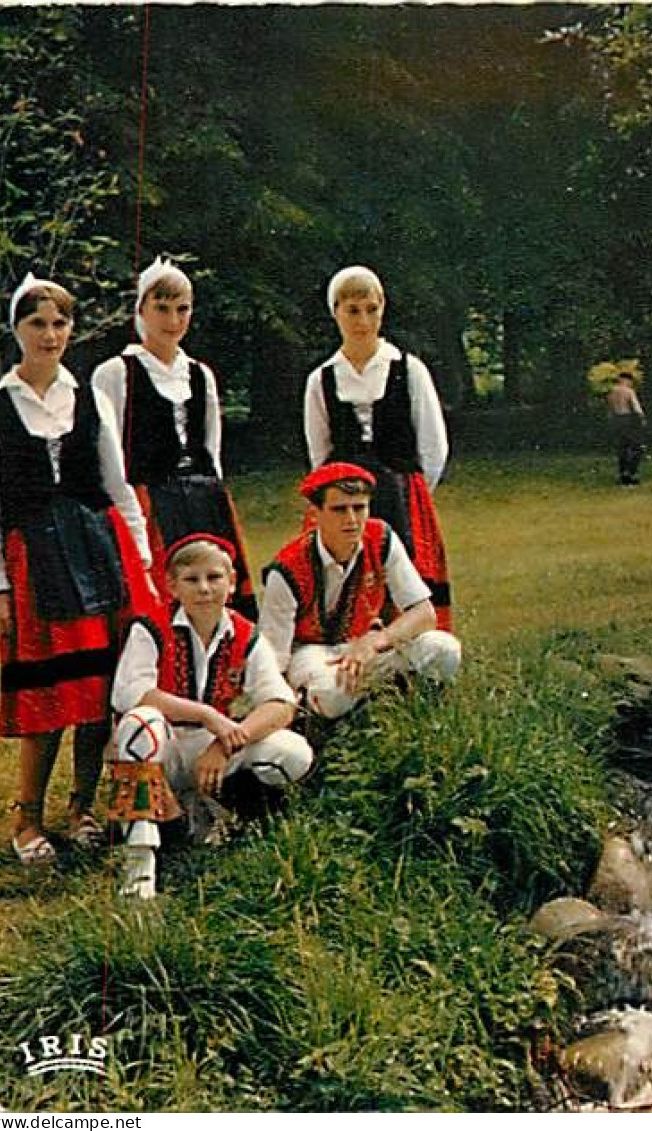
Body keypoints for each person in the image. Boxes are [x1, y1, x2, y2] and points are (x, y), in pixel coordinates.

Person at [0, 274, 158, 865]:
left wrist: (142, 564)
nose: (50, 335)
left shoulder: (91, 399)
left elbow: (118, 487)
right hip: (35, 561)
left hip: (97, 550)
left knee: (100, 690)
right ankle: (26, 820)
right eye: (37, 324)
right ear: (17, 330)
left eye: (59, 323)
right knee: (48, 695)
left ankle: (81, 807)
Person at [106, 534, 313, 898]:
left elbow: (280, 702)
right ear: (172, 586)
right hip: (164, 745)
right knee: (140, 723)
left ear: (232, 583)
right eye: (192, 580)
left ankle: (240, 828)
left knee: (293, 753)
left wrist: (226, 743)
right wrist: (205, 714)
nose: (204, 589)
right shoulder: (151, 626)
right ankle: (139, 869)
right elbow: (130, 693)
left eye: (214, 578)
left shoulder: (245, 634)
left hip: (210, 750)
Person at [92, 256, 259, 618]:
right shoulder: (117, 373)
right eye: (162, 308)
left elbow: (211, 451)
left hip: (204, 502)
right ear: (141, 310)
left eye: (182, 309)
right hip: (150, 505)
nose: (172, 321)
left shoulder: (201, 375)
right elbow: (109, 457)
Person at [304, 266, 452, 629]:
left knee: (408, 583)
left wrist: (411, 492)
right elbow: (319, 454)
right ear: (335, 312)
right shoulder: (322, 379)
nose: (363, 321)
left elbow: (434, 446)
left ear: (382, 308)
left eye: (371, 309)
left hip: (402, 496)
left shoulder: (408, 369)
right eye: (352, 310)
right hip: (344, 502)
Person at [258, 462, 462, 720]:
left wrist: (374, 642)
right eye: (339, 510)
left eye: (359, 508)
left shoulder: (381, 538)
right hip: (313, 654)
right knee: (332, 697)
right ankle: (347, 719)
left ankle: (414, 715)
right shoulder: (287, 569)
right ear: (316, 513)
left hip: (366, 645)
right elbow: (275, 656)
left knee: (444, 648)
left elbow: (424, 613)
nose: (352, 520)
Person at [605, 370, 647, 486]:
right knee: (635, 447)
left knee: (621, 448)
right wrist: (642, 419)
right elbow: (636, 407)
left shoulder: (611, 391)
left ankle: (622, 473)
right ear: (627, 380)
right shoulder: (628, 391)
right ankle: (632, 473)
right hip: (628, 419)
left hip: (615, 419)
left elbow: (609, 409)